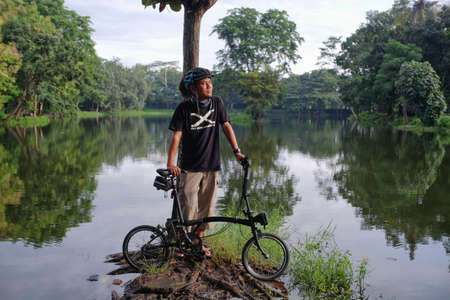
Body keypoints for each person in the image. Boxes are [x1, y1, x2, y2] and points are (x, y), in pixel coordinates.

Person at [167, 67, 245, 257]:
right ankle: (182, 245)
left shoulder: (217, 103)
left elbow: (226, 125)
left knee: (207, 208)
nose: (209, 85)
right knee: (187, 207)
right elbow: (177, 135)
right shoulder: (184, 108)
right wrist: (170, 163)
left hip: (211, 165)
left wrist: (237, 151)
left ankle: (197, 242)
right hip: (189, 167)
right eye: (204, 83)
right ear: (193, 88)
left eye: (210, 82)